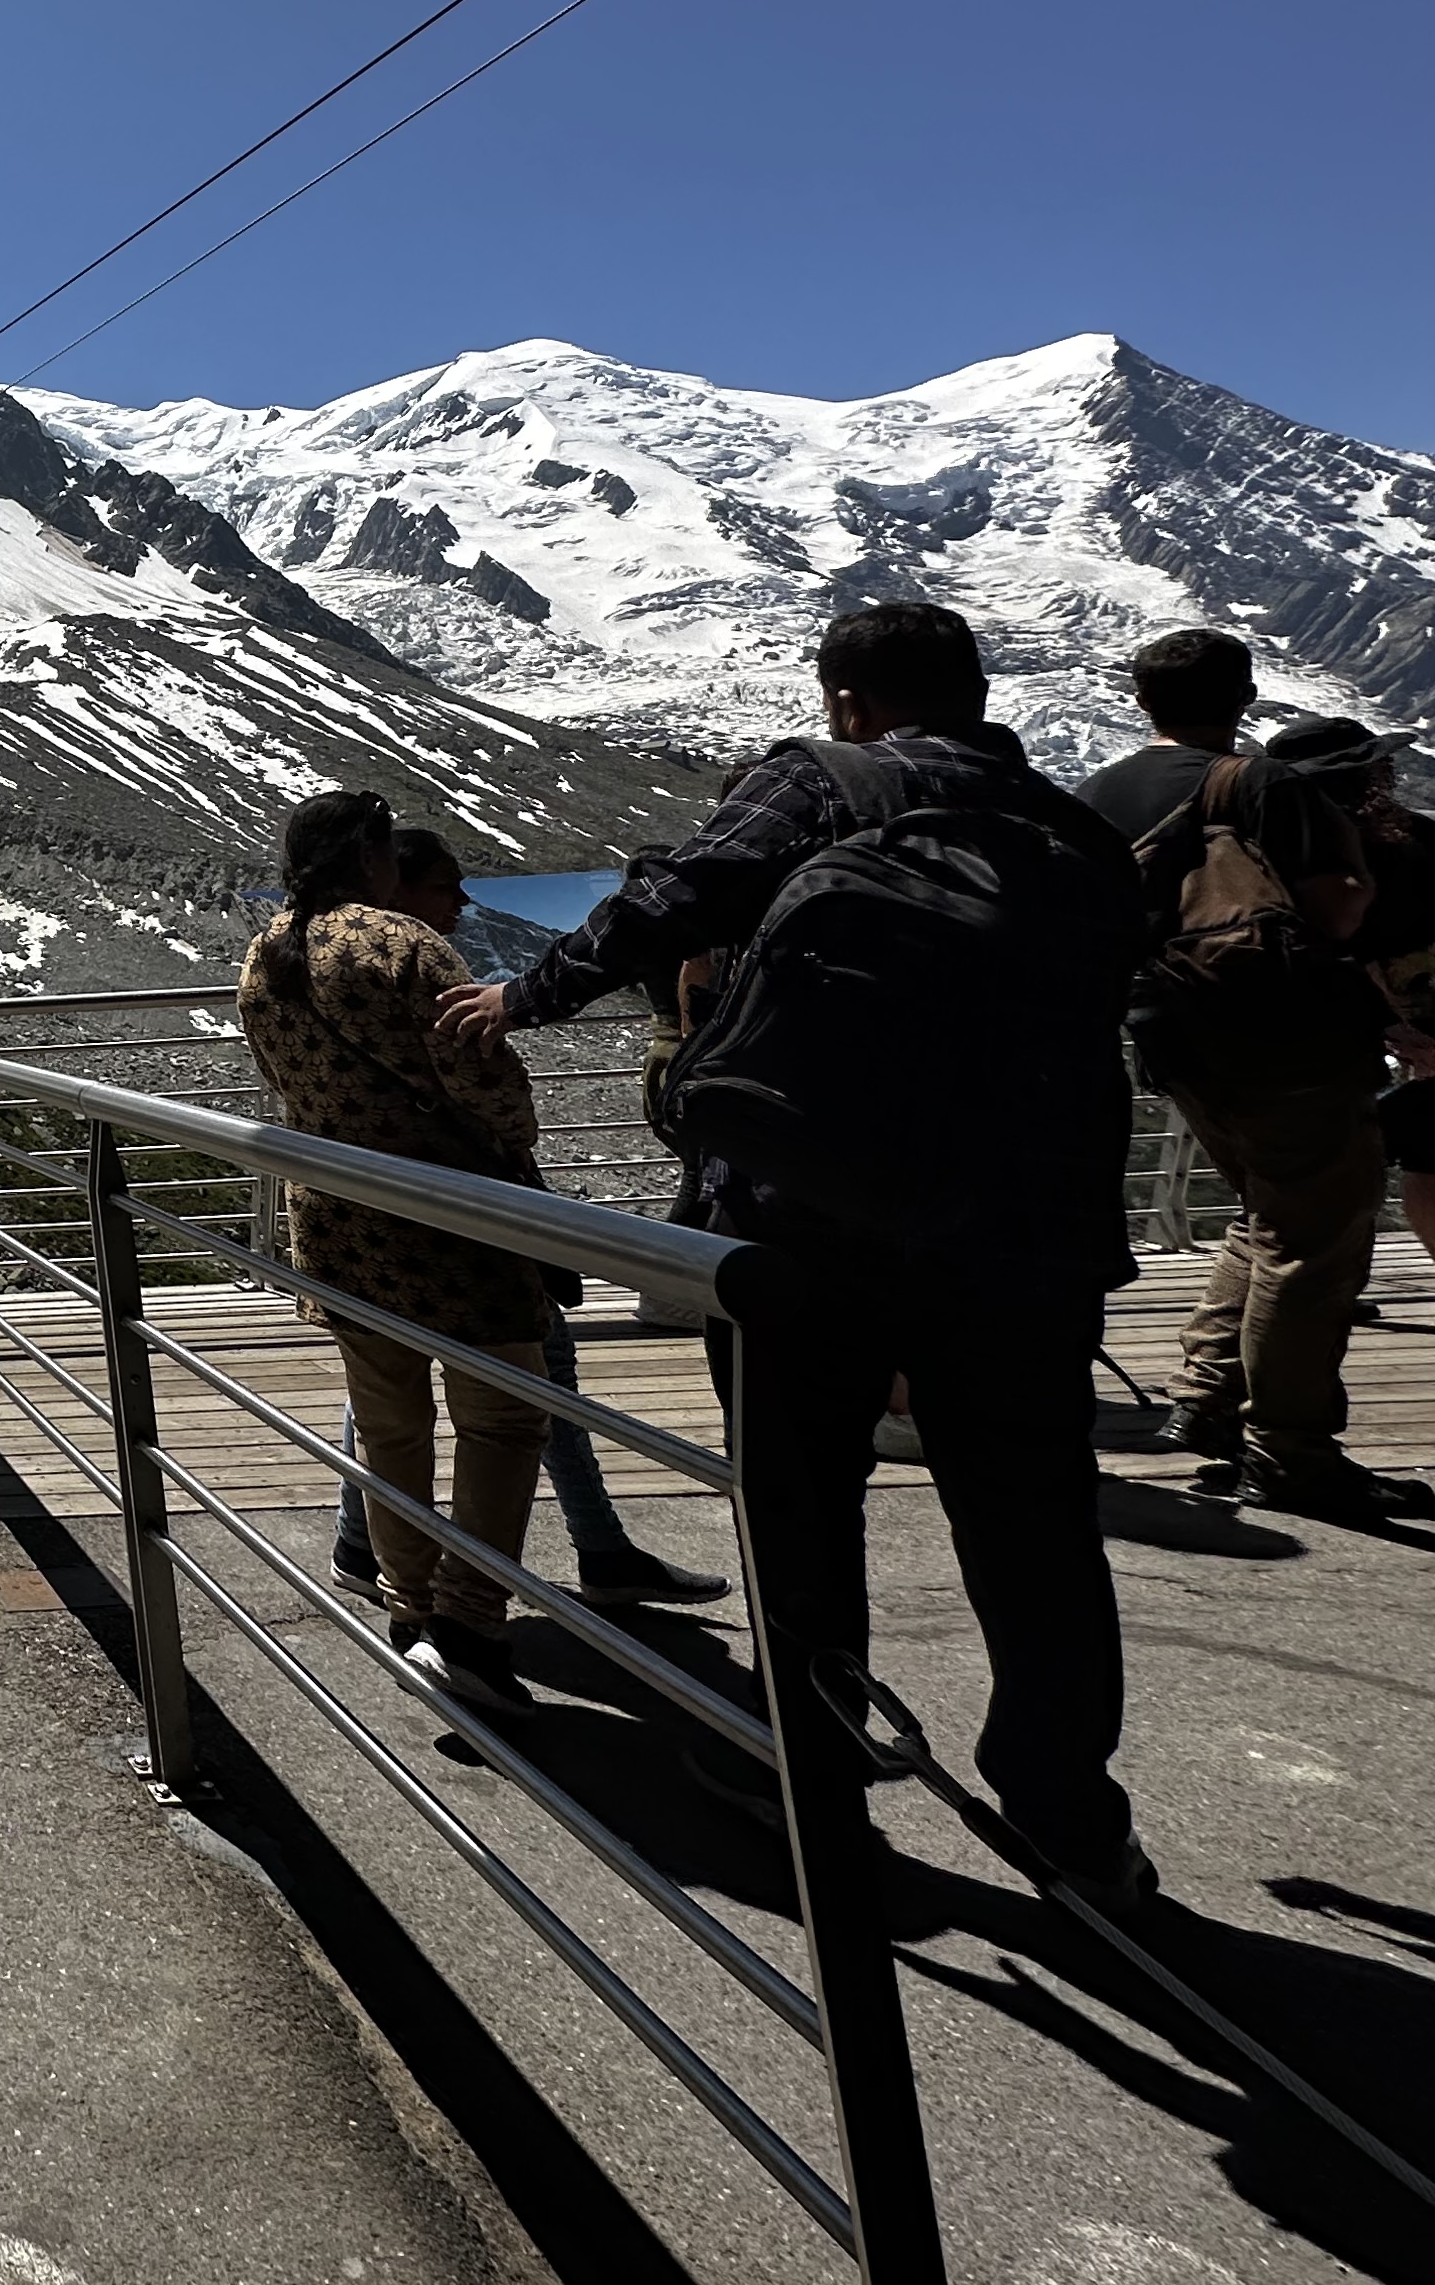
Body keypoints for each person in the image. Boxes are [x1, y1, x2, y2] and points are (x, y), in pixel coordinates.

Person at [438, 602, 1157, 1905]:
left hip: (805, 1227)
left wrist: (522, 997)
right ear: (976, 693)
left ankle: (799, 1770)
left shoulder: (822, 783)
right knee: (1038, 1529)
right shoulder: (1069, 826)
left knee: (801, 1510)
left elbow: (669, 899)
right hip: (1028, 1238)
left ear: (846, 701)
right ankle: (1071, 1817)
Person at [319, 827, 730, 1612]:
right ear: (398, 890)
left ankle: (365, 1544)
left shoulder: (334, 967)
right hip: (469, 1202)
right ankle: (577, 1558)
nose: (461, 902)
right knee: (532, 1373)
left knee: (392, 1381)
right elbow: (494, 1096)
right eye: (444, 887)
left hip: (390, 1212)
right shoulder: (416, 967)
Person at [1073, 634, 1420, 1518]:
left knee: (1271, 1212)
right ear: (1247, 695)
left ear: (1140, 698)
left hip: (1173, 1034)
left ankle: (1209, 1401)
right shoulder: (1260, 783)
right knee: (1315, 1241)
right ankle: (1291, 1451)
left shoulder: (1094, 794)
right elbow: (1337, 906)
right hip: (1287, 1037)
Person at [235, 789, 556, 1722]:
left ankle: (408, 1606)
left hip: (341, 1221)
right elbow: (481, 1072)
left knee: (390, 1426)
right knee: (503, 1418)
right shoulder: (402, 944)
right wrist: (512, 1142)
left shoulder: (266, 951)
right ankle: (470, 1621)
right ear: (373, 860)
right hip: (452, 1217)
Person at [1263, 718, 1435, 1346]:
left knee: (1324, 1172)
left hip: (1309, 1023)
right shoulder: (1415, 838)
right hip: (1412, 1022)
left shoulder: (1270, 846)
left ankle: (1325, 1289)